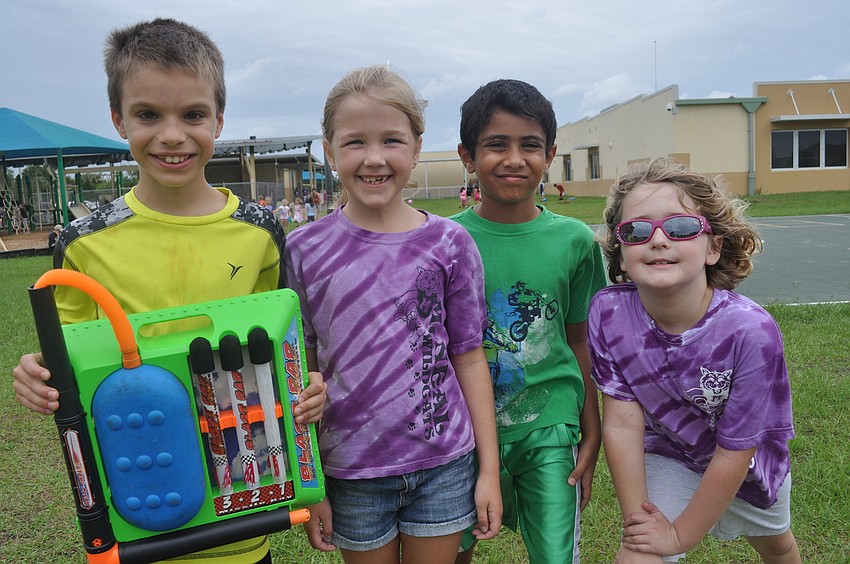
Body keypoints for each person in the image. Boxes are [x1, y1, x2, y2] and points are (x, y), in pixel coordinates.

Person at [10, 18, 327, 564]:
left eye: (193, 114)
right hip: (139, 506)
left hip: (244, 505)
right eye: (148, 114)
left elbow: (283, 351)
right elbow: (69, 368)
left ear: (219, 119)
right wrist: (37, 377)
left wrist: (309, 390)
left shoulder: (259, 232)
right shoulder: (84, 243)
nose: (172, 134)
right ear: (118, 119)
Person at [286, 65, 502, 564]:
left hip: (444, 464)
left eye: (392, 141)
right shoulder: (302, 250)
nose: (375, 158)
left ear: (417, 148)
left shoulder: (451, 243)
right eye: (355, 142)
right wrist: (311, 483)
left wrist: (487, 470)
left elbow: (469, 359)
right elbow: (300, 370)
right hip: (350, 471)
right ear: (328, 148)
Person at [589, 157, 800, 563]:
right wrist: (641, 524)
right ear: (620, 250)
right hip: (671, 453)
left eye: (681, 226)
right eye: (635, 229)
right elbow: (620, 421)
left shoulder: (750, 331)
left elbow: (735, 449)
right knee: (638, 555)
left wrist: (680, 536)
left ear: (713, 247)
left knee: (776, 545)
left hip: (749, 467)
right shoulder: (609, 313)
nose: (658, 239)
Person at [452, 79, 607, 564]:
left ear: (550, 153)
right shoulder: (443, 242)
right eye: (496, 144)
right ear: (467, 155)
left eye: (530, 145)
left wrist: (591, 424)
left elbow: (580, 340)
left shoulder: (576, 241)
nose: (514, 158)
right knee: (450, 552)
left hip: (550, 424)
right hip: (464, 431)